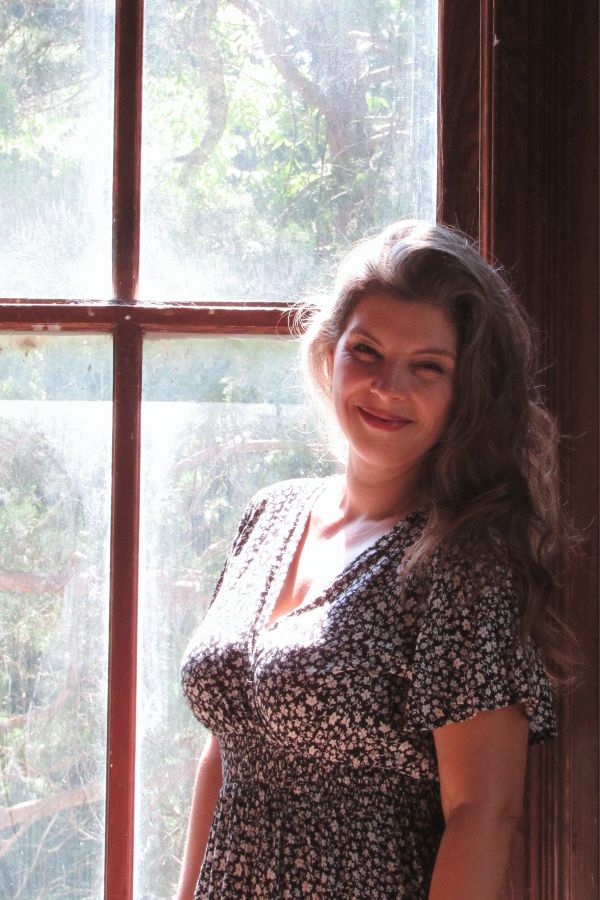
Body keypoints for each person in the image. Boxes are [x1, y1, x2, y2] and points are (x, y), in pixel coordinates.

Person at [177, 220, 564, 899]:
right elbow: (222, 752)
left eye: (428, 367)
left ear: (464, 392)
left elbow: (483, 814)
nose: (389, 387)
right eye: (368, 351)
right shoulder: (268, 516)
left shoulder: (462, 563)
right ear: (329, 355)